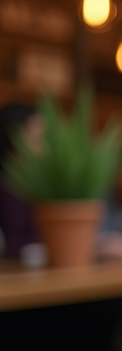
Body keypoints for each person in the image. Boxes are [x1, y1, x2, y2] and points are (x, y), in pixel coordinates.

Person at [0, 104, 41, 259]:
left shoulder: (40, 185)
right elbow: (13, 245)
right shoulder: (6, 187)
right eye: (37, 136)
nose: (45, 144)